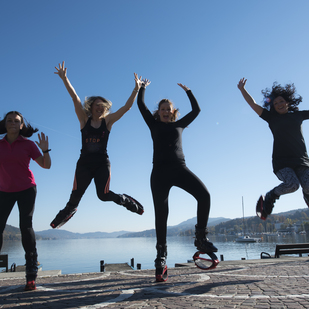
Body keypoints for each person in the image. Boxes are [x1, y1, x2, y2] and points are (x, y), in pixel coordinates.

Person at [136, 77, 217, 281]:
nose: (165, 111)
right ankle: (161, 258)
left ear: (173, 112)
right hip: (159, 174)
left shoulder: (180, 124)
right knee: (161, 216)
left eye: (168, 109)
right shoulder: (153, 125)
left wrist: (189, 91)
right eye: (162, 108)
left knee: (204, 195)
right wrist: (142, 88)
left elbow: (197, 110)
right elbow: (140, 105)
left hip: (180, 169)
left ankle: (201, 238)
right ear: (159, 112)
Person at [50, 62, 143, 229]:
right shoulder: (83, 120)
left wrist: (136, 89)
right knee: (75, 197)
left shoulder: (107, 122)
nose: (100, 108)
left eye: (103, 106)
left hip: (101, 164)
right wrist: (65, 79)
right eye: (97, 105)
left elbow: (127, 108)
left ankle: (125, 200)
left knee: (104, 195)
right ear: (91, 107)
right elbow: (75, 98)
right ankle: (68, 211)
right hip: (84, 164)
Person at [238, 78, 309, 220]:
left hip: (301, 161)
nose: (279, 104)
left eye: (281, 101)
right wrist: (242, 90)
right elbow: (253, 104)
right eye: (275, 103)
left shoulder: (298, 115)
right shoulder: (271, 118)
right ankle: (271, 195)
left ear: (287, 102)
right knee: (292, 185)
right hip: (282, 162)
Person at [0, 111, 51, 291]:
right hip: (3, 191)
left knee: (25, 226)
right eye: (9, 121)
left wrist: (45, 150)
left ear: (22, 125)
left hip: (26, 189)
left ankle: (31, 274)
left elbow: (46, 165)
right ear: (4, 124)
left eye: (16, 121)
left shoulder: (28, 145)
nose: (13, 123)